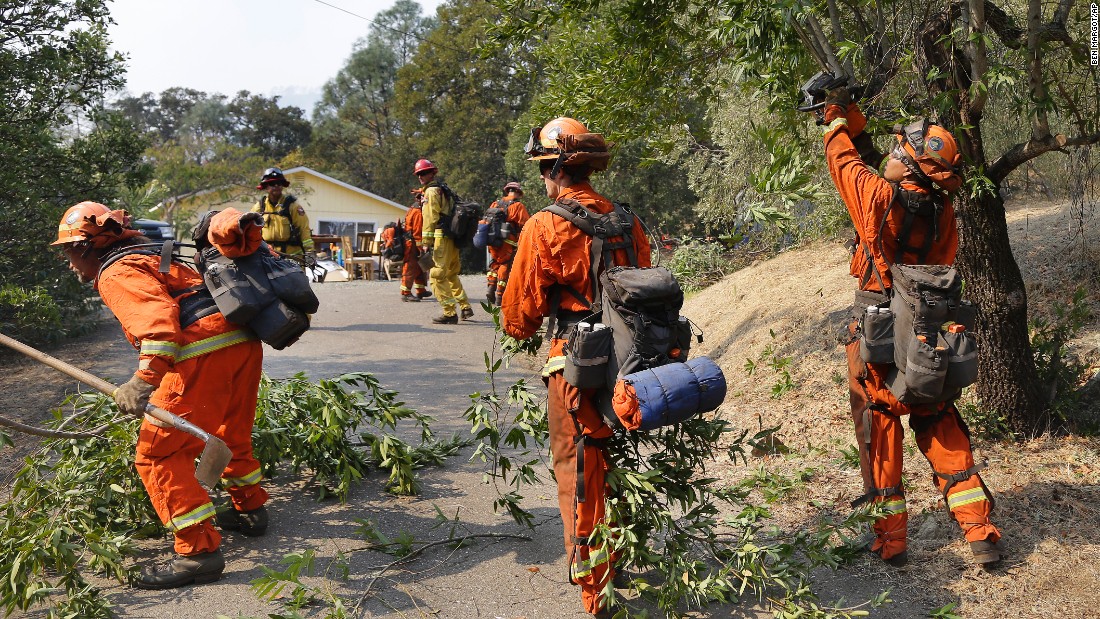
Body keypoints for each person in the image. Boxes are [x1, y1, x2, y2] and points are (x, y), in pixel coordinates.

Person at [816, 90, 1001, 566]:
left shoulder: (878, 197)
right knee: (939, 422)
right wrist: (855, 118)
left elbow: (845, 162)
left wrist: (834, 118)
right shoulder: (942, 209)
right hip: (926, 334)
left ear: (911, 164)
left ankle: (891, 541)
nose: (893, 152)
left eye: (900, 148)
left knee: (879, 428)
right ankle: (979, 531)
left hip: (878, 332)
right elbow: (879, 164)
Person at [51, 202, 270, 589]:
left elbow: (159, 330)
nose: (67, 263)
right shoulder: (154, 252)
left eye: (68, 251)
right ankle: (250, 510)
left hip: (202, 353)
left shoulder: (116, 271)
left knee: (159, 453)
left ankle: (198, 553)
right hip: (243, 342)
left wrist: (142, 383)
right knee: (230, 429)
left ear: (88, 247)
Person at [500, 117, 651, 619]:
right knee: (611, 458)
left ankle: (594, 580)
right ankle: (619, 551)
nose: (543, 177)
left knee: (578, 464)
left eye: (544, 167)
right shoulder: (628, 220)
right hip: (630, 365)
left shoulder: (544, 225)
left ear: (555, 169)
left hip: (575, 364)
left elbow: (519, 319)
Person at [414, 158, 473, 323]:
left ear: (433, 172)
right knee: (451, 274)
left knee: (437, 275)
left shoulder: (431, 192)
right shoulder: (443, 189)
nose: (421, 176)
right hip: (452, 238)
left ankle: (449, 313)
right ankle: (465, 306)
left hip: (441, 238)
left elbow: (430, 216)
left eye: (424, 173)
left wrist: (425, 241)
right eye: (419, 174)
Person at [250, 167, 315, 257]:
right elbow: (249, 229)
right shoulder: (260, 207)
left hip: (291, 257)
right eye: (272, 184)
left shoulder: (293, 206)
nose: (276, 186)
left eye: (279, 183)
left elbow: (304, 230)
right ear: (266, 187)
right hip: (267, 256)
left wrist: (310, 252)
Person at [484, 181, 530, 306]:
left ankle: (491, 286)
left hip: (493, 241)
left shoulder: (495, 203)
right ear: (518, 193)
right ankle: (499, 295)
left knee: (495, 264)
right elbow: (525, 224)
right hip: (508, 242)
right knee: (505, 264)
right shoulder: (518, 206)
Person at [401, 189, 432, 302]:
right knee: (410, 268)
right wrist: (421, 248)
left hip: (412, 243)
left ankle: (420, 290)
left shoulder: (413, 209)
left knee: (420, 268)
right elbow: (418, 232)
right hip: (413, 245)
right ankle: (406, 293)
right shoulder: (418, 212)